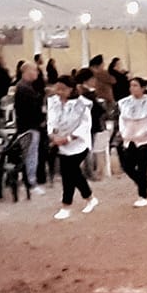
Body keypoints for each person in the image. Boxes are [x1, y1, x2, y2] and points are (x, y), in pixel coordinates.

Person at [46, 73, 98, 219]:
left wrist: (68, 138)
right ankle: (90, 198)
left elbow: (85, 125)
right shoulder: (53, 102)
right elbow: (51, 121)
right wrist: (53, 135)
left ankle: (66, 206)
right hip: (60, 142)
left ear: (71, 89)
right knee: (74, 174)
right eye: (57, 88)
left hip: (79, 143)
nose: (59, 92)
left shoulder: (82, 104)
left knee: (68, 174)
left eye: (63, 89)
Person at [115, 76, 147, 206]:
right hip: (129, 138)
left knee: (142, 167)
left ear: (142, 88)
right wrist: (123, 131)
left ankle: (143, 196)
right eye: (131, 86)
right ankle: (143, 182)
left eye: (135, 85)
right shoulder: (124, 102)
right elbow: (121, 119)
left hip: (146, 140)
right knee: (127, 166)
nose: (132, 88)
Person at [12, 61, 48, 192]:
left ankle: (30, 180)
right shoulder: (24, 89)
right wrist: (41, 119)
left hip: (28, 125)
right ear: (27, 72)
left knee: (31, 154)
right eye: (35, 70)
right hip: (29, 127)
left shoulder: (25, 87)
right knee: (31, 155)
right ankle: (31, 182)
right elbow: (32, 109)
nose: (37, 73)